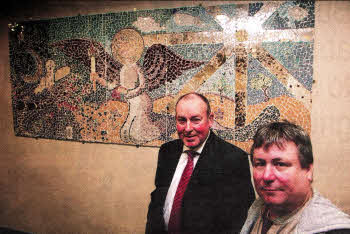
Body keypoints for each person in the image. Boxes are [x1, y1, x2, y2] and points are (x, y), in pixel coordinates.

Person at [146, 92, 255, 234]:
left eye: (195, 120)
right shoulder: (167, 152)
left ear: (210, 119)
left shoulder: (233, 159)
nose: (188, 128)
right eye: (182, 120)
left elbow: (238, 221)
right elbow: (157, 202)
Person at [240, 121, 350, 234]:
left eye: (280, 164)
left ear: (308, 170)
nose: (267, 176)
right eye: (260, 164)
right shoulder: (258, 209)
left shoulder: (333, 229)